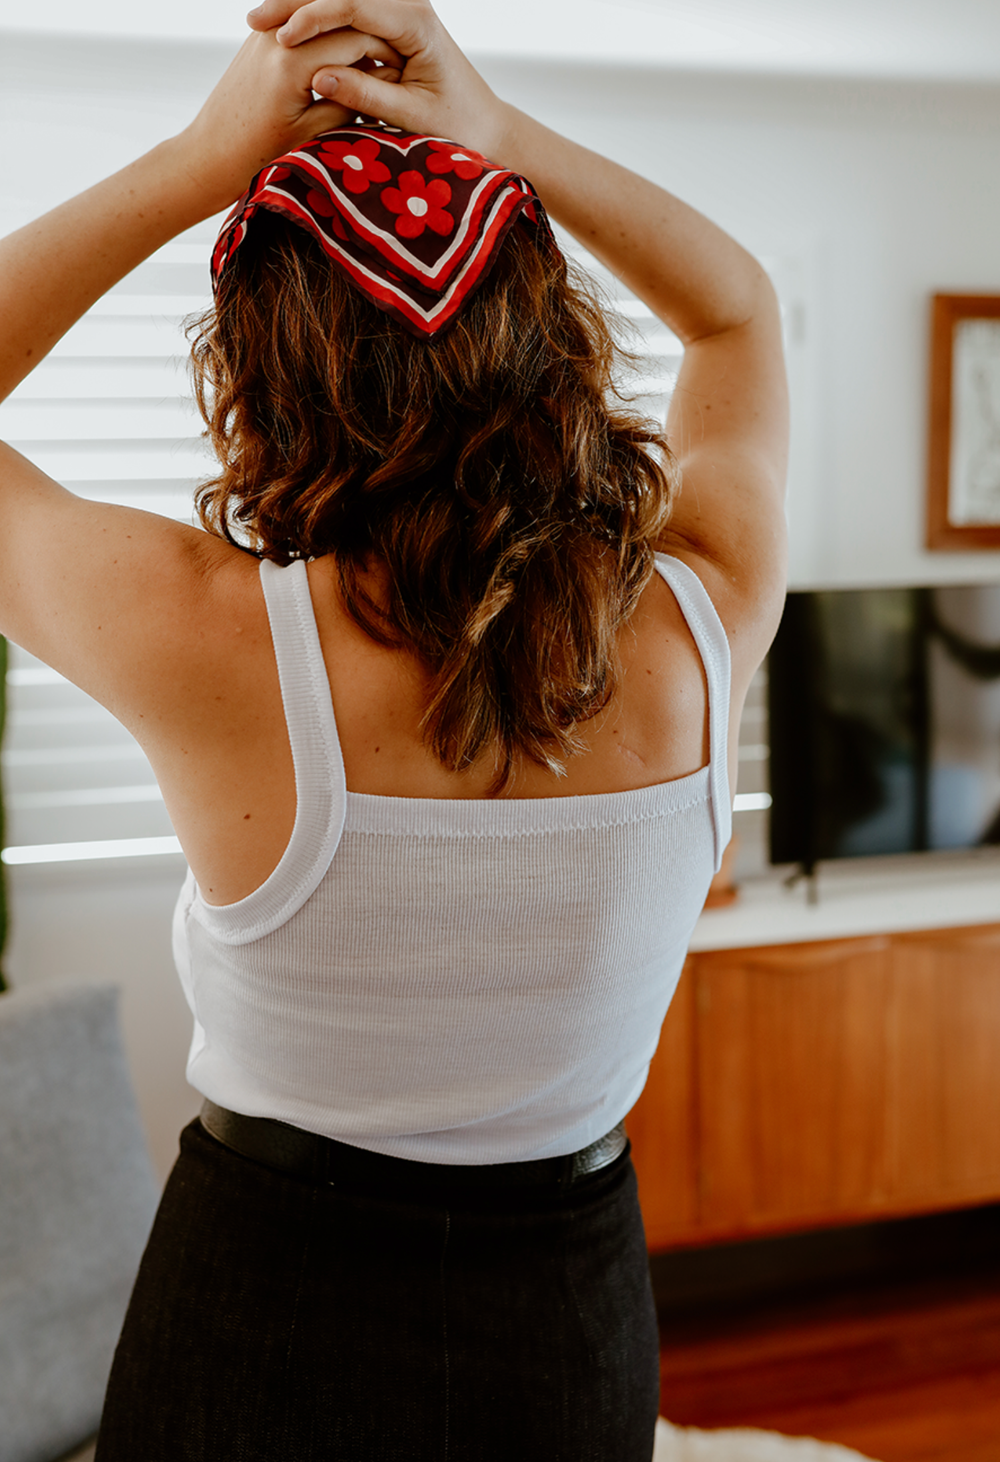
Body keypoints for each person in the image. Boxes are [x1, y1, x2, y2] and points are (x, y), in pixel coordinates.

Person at [0, 1, 788, 1457]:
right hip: (570, 1316)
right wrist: (498, 135)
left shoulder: (205, 635)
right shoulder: (701, 622)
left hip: (264, 1311)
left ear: (263, 369)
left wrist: (194, 161)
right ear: (546, 341)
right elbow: (737, 307)